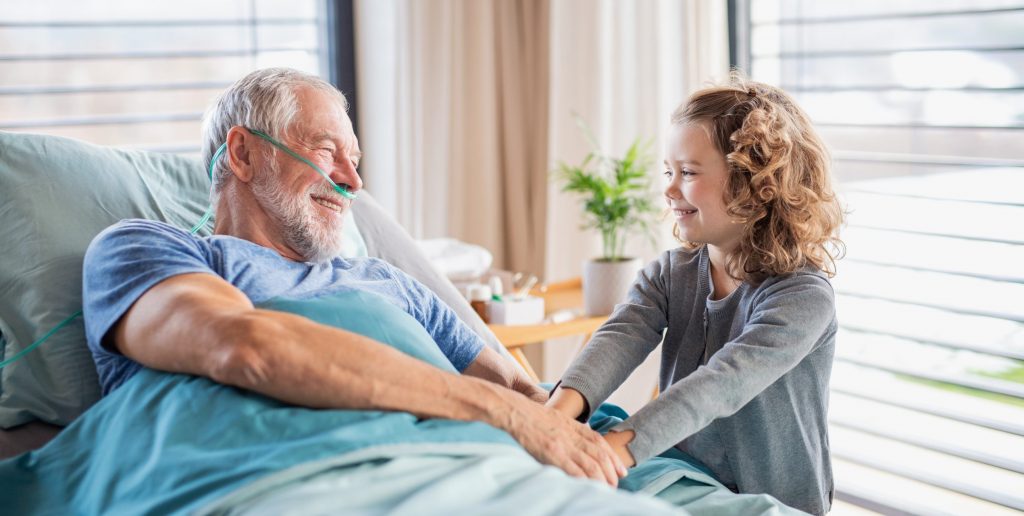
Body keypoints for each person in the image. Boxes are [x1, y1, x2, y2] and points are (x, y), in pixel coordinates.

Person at [81, 67, 626, 486]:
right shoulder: (146, 250)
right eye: (326, 152)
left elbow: (522, 394)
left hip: (458, 469)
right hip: (291, 478)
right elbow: (239, 344)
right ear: (244, 154)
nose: (353, 182)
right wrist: (497, 410)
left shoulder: (387, 282)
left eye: (355, 159)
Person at [546, 74, 844, 515]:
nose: (669, 189)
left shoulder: (801, 297)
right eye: (669, 171)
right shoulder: (671, 273)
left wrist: (606, 457)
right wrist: (552, 419)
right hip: (686, 481)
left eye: (687, 173)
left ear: (755, 183)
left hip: (774, 501)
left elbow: (720, 384)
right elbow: (618, 338)